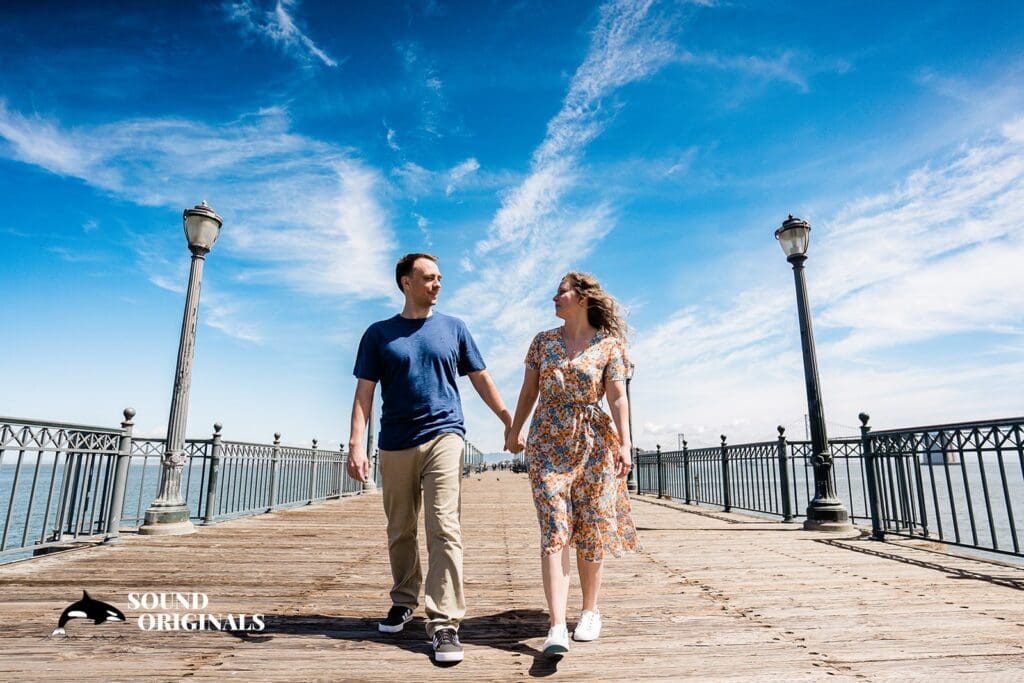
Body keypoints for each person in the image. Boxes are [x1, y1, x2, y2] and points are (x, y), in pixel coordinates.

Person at [347, 253, 512, 664]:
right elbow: (364, 393)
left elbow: (480, 378)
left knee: (444, 525)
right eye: (428, 278)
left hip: (445, 435)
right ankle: (404, 598)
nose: (437, 285)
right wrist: (355, 444)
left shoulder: (454, 328)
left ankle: (444, 623)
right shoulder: (379, 334)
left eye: (440, 278)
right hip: (395, 442)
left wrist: (510, 418)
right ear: (406, 282)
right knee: (400, 527)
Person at [505, 271, 638, 655]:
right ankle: (557, 625)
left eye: (560, 292)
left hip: (593, 444)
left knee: (590, 527)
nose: (554, 298)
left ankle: (590, 611)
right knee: (555, 529)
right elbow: (529, 390)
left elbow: (617, 399)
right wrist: (515, 430)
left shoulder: (609, 346)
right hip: (547, 442)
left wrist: (625, 443)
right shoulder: (543, 342)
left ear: (581, 297)